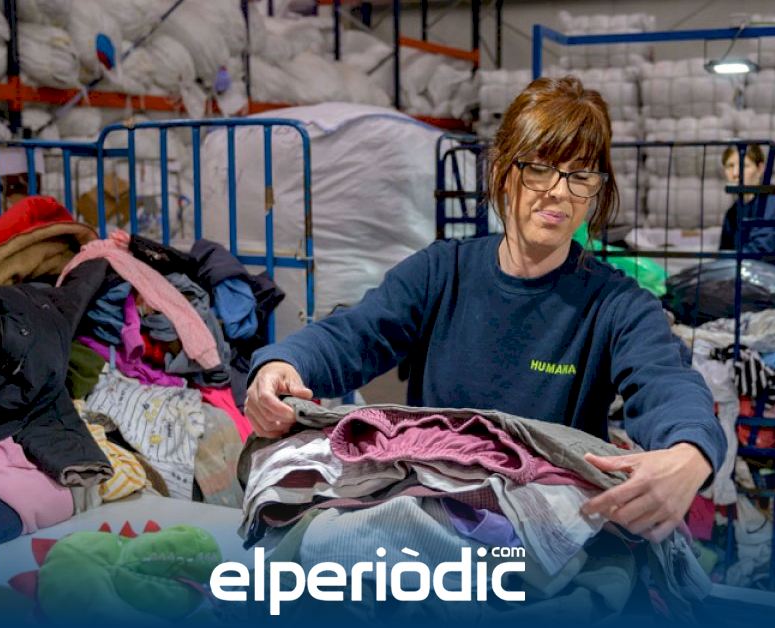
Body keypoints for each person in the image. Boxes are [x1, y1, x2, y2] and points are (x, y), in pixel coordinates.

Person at [245, 77, 726, 543]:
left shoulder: (616, 305)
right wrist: (284, 363)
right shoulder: (441, 273)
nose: (559, 191)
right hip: (433, 516)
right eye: (540, 168)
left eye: (580, 176)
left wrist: (690, 452)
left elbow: (666, 381)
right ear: (502, 171)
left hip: (543, 533)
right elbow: (356, 333)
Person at [718, 144, 775, 263]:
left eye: (744, 166)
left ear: (760, 169)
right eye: (730, 166)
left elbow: (765, 247)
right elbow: (723, 254)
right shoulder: (732, 213)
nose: (735, 173)